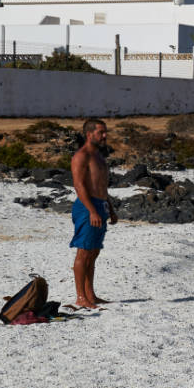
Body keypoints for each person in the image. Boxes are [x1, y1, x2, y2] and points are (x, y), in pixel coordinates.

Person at [69, 118, 115, 308]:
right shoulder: (82, 156)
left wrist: (110, 208)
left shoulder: (99, 156)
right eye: (101, 132)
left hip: (100, 205)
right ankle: (80, 297)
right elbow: (79, 185)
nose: (105, 136)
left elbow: (102, 186)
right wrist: (92, 211)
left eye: (105, 132)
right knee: (84, 252)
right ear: (89, 134)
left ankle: (90, 294)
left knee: (93, 253)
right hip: (87, 208)